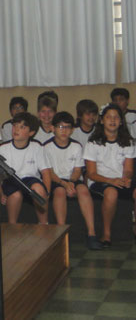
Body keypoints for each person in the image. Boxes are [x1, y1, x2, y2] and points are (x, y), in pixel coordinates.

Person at [43, 112, 102, 250]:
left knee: (84, 190)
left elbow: (78, 170)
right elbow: (49, 172)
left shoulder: (76, 146)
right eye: (60, 127)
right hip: (56, 180)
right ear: (53, 128)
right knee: (60, 192)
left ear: (72, 130)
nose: (64, 130)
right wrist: (64, 184)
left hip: (72, 179)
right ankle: (62, 234)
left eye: (68, 127)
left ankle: (91, 233)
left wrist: (71, 182)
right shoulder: (46, 147)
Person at [84, 103, 136, 247]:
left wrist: (126, 178)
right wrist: (110, 181)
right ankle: (106, 233)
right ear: (102, 120)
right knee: (111, 193)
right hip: (100, 181)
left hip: (119, 179)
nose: (112, 120)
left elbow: (129, 169)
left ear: (121, 121)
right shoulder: (93, 143)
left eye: (116, 117)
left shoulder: (128, 141)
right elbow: (91, 173)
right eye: (109, 117)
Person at [0, 112, 51, 224]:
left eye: (22, 127)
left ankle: (44, 224)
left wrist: (47, 193)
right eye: (15, 125)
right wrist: (1, 193)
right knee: (16, 195)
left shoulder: (37, 147)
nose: (16, 129)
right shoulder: (2, 149)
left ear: (31, 132)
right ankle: (12, 226)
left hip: (31, 180)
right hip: (11, 180)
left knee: (39, 189)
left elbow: (45, 172)